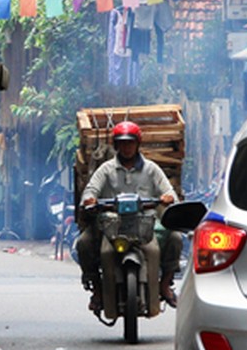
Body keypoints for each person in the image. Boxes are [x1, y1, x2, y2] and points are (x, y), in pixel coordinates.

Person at [77, 121, 182, 311]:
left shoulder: (151, 169)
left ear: (137, 144)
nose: (127, 147)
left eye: (130, 142)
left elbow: (169, 192)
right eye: (122, 143)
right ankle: (98, 290)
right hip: (111, 224)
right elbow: (91, 190)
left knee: (175, 238)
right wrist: (90, 200)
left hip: (145, 224)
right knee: (84, 243)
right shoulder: (106, 169)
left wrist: (168, 197)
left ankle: (165, 284)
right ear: (116, 145)